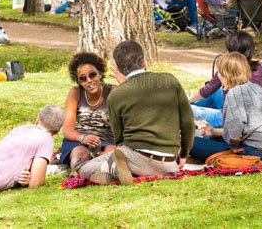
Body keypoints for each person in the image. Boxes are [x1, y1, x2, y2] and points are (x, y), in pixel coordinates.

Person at [78, 40, 195, 185]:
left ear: (119, 68)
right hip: (169, 164)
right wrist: (183, 154)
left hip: (135, 158)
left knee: (84, 169)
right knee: (120, 157)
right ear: (143, 61)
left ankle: (113, 169)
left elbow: (119, 138)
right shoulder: (169, 80)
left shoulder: (117, 95)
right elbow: (188, 123)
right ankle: (118, 170)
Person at [189, 52, 262, 164]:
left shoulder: (235, 93)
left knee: (191, 142)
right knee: (209, 139)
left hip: (254, 152)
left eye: (219, 72)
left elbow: (234, 136)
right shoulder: (257, 89)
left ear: (225, 74)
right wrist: (213, 132)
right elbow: (242, 130)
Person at [189, 30, 262, 128]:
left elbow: (207, 90)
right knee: (216, 92)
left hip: (229, 119)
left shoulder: (228, 68)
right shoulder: (260, 69)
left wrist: (187, 101)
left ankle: (182, 104)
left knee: (191, 109)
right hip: (254, 118)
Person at [59, 52, 115, 170]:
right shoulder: (75, 93)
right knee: (79, 156)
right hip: (78, 140)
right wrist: (82, 138)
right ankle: (84, 170)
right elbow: (67, 128)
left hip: (107, 140)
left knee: (111, 153)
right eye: (83, 79)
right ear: (78, 81)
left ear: (100, 73)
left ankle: (93, 170)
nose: (89, 81)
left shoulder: (113, 91)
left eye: (92, 75)